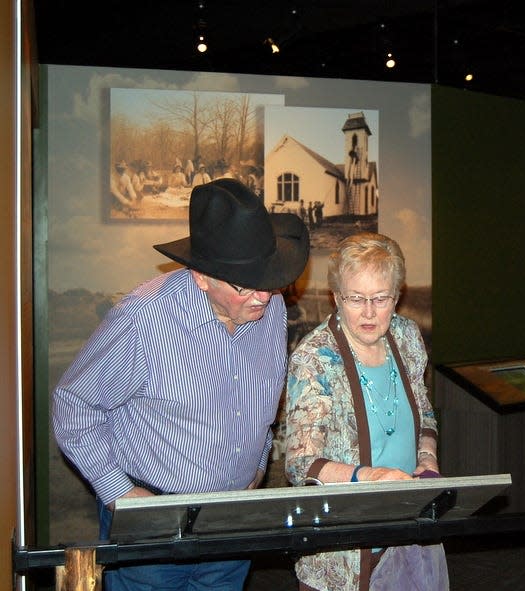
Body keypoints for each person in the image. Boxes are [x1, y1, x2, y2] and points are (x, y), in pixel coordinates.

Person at [51, 178, 310, 591]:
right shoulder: (142, 321)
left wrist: (257, 464)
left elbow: (262, 401)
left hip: (231, 521)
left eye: (270, 279)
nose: (264, 296)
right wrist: (120, 494)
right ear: (201, 277)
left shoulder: (271, 310)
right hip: (154, 526)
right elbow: (73, 405)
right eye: (246, 285)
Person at [284, 232, 447, 591]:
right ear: (336, 297)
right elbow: (300, 465)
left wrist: (427, 459)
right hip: (341, 554)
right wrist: (371, 477)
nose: (370, 312)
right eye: (356, 298)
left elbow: (425, 413)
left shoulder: (406, 337)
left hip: (406, 535)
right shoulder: (314, 360)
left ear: (397, 295)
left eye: (381, 298)